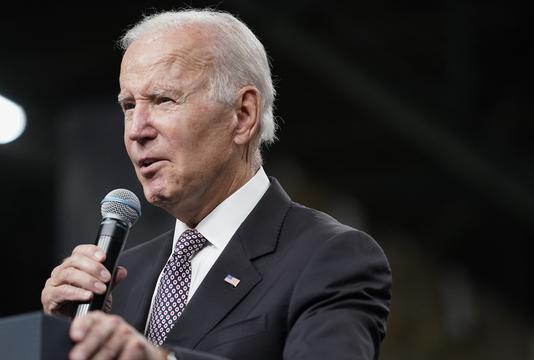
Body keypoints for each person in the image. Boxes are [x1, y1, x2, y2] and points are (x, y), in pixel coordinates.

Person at [41, 8, 391, 360]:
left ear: (243, 115)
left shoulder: (329, 256)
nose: (136, 130)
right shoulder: (119, 281)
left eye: (163, 100)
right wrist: (58, 339)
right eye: (129, 105)